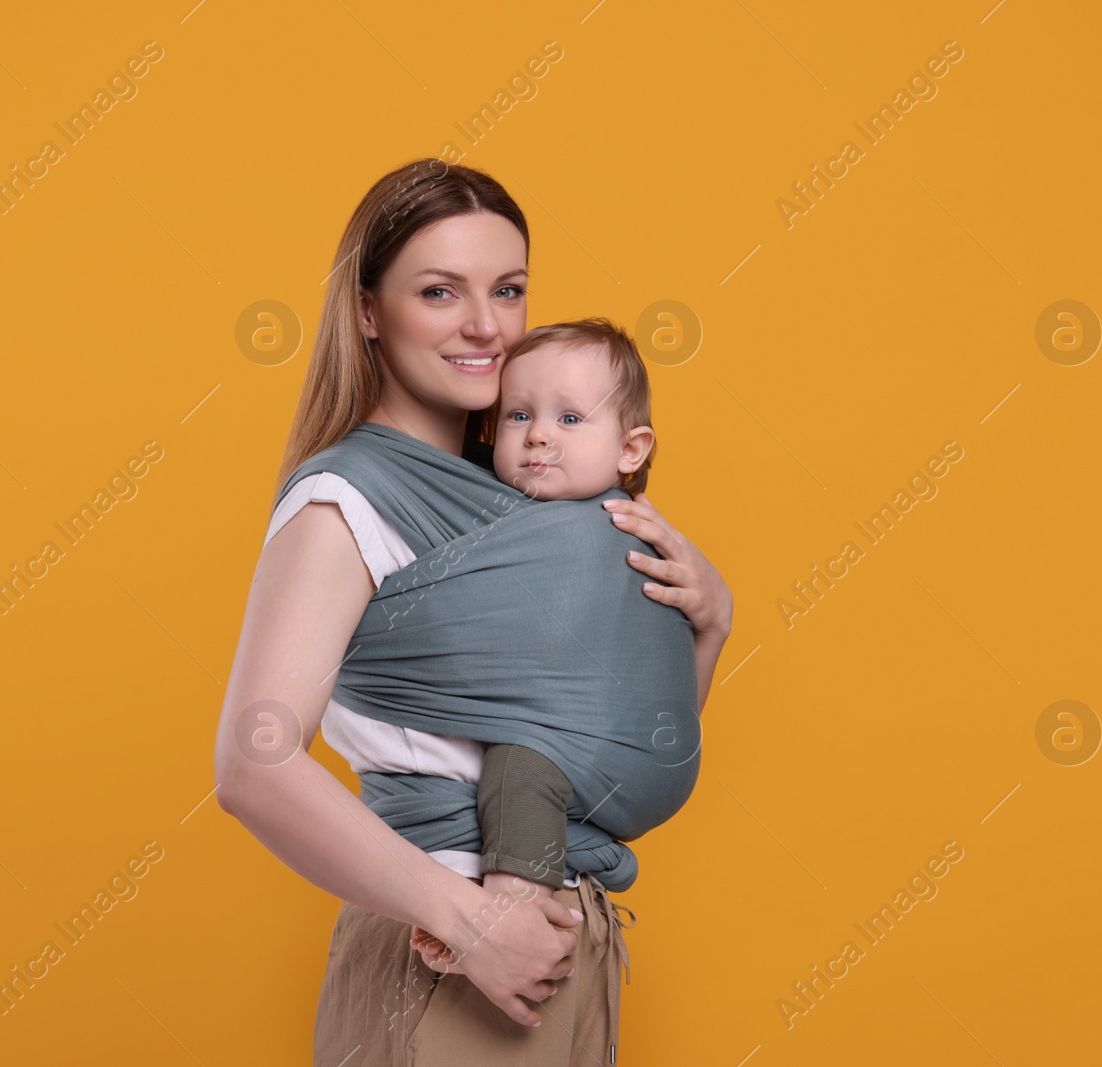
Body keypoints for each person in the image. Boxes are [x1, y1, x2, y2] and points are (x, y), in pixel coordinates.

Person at [214, 158, 732, 1066]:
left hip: (567, 939)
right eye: (440, 291)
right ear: (370, 311)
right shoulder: (347, 501)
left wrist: (710, 624)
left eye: (508, 288)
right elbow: (252, 764)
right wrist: (473, 919)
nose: (485, 325)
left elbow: (603, 739)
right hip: (452, 954)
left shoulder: (534, 488)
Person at [398, 316, 681, 973]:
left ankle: (503, 913)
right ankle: (602, 856)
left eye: (571, 419)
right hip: (598, 755)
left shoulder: (617, 526)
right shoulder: (517, 508)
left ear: (630, 450)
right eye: (518, 415)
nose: (539, 435)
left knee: (519, 765)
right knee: (489, 784)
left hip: (616, 736)